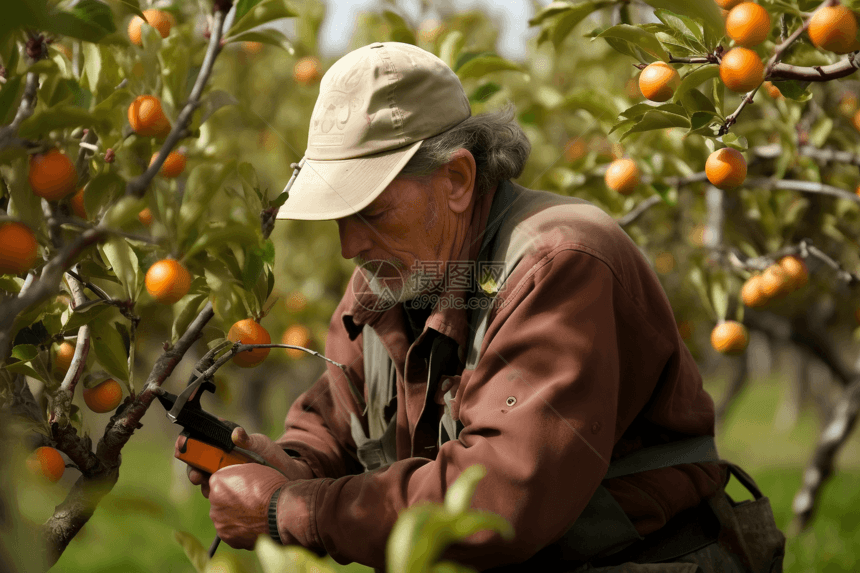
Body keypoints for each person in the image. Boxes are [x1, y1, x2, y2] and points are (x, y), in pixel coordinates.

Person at [181, 42, 785, 572]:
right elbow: (334, 421)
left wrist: (290, 511)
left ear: (457, 179)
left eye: (370, 211)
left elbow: (500, 496)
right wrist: (281, 464)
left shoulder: (558, 263)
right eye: (340, 216)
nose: (348, 245)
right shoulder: (388, 274)